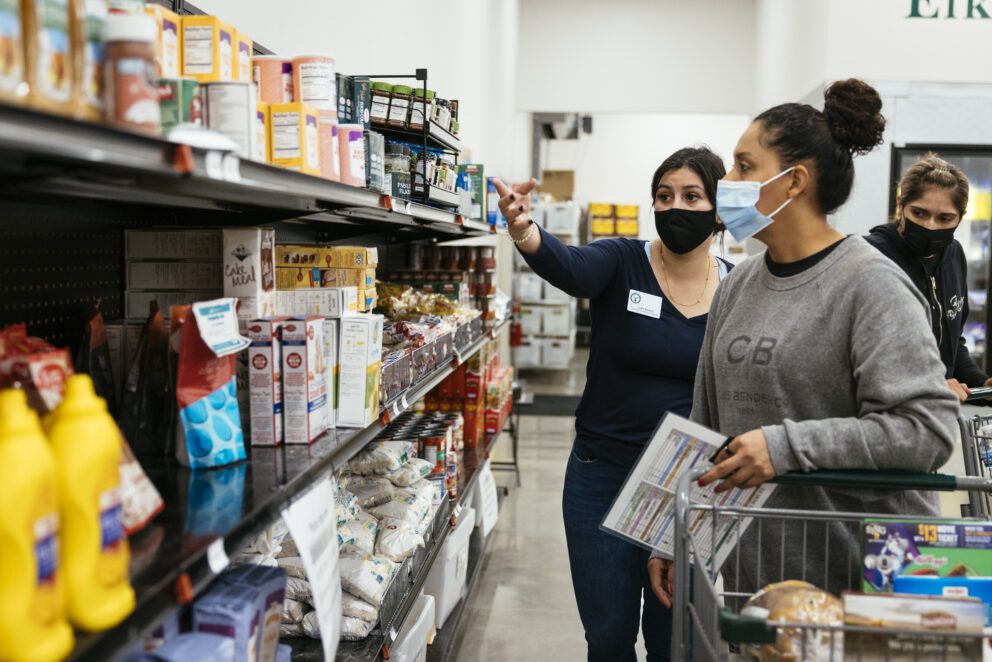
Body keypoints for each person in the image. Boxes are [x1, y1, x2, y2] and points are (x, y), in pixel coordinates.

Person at [647, 80, 959, 604]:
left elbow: (926, 429)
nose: (728, 181)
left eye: (745, 166)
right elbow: (705, 421)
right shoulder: (739, 284)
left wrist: (784, 446)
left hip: (862, 586)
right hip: (760, 581)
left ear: (795, 182)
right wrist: (671, 533)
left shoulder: (870, 285)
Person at [494, 146, 731, 662]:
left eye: (692, 196)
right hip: (602, 475)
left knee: (676, 640)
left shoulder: (738, 286)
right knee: (608, 637)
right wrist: (524, 229)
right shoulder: (623, 261)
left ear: (718, 209)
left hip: (689, 486)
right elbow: (571, 267)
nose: (675, 207)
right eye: (664, 196)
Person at [866, 154, 991, 402]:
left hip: (935, 419)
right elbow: (860, 356)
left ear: (960, 216)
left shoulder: (954, 255)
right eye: (919, 213)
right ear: (901, 203)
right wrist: (928, 383)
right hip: (884, 417)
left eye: (944, 218)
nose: (930, 226)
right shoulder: (871, 257)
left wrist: (982, 382)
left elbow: (952, 347)